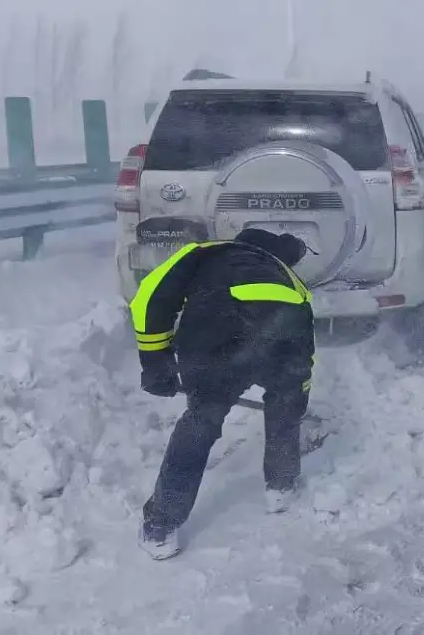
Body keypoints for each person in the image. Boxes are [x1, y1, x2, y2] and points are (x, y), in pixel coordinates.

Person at [130, 227, 316, 560]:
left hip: (213, 334)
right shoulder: (288, 277)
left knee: (202, 419)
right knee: (284, 402)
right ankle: (281, 486)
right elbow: (303, 344)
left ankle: (161, 528)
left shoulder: (204, 252)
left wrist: (155, 360)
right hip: (281, 329)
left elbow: (150, 296)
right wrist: (296, 394)